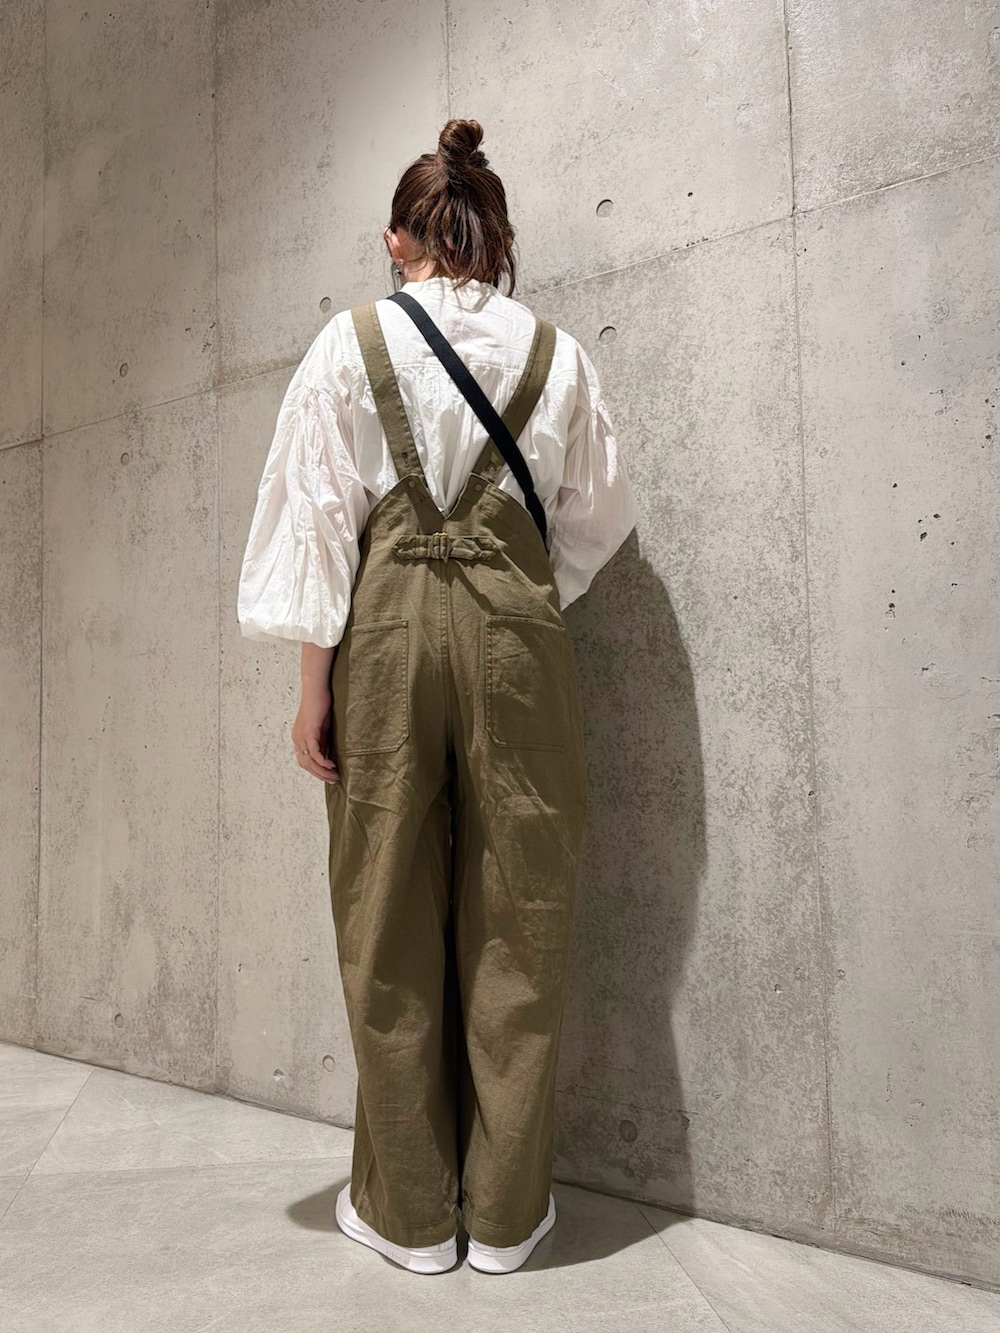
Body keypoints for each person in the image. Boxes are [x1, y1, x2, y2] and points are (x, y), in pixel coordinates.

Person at [237, 118, 638, 1275]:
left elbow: (316, 522)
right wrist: (519, 593)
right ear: (493, 235)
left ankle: (410, 1213)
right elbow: (599, 517)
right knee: (524, 911)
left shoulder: (347, 344)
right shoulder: (557, 354)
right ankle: (506, 1216)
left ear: (396, 238)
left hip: (383, 639)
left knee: (384, 912)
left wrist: (311, 688)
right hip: (519, 635)